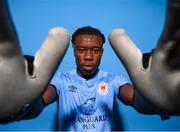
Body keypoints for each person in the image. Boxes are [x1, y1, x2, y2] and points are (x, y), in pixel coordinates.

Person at [22, 26, 165, 131]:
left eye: (95, 51)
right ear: (74, 51)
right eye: (82, 50)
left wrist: (155, 98)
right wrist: (25, 104)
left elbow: (137, 101)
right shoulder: (61, 80)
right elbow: (39, 105)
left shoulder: (113, 80)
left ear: (101, 52)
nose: (89, 57)